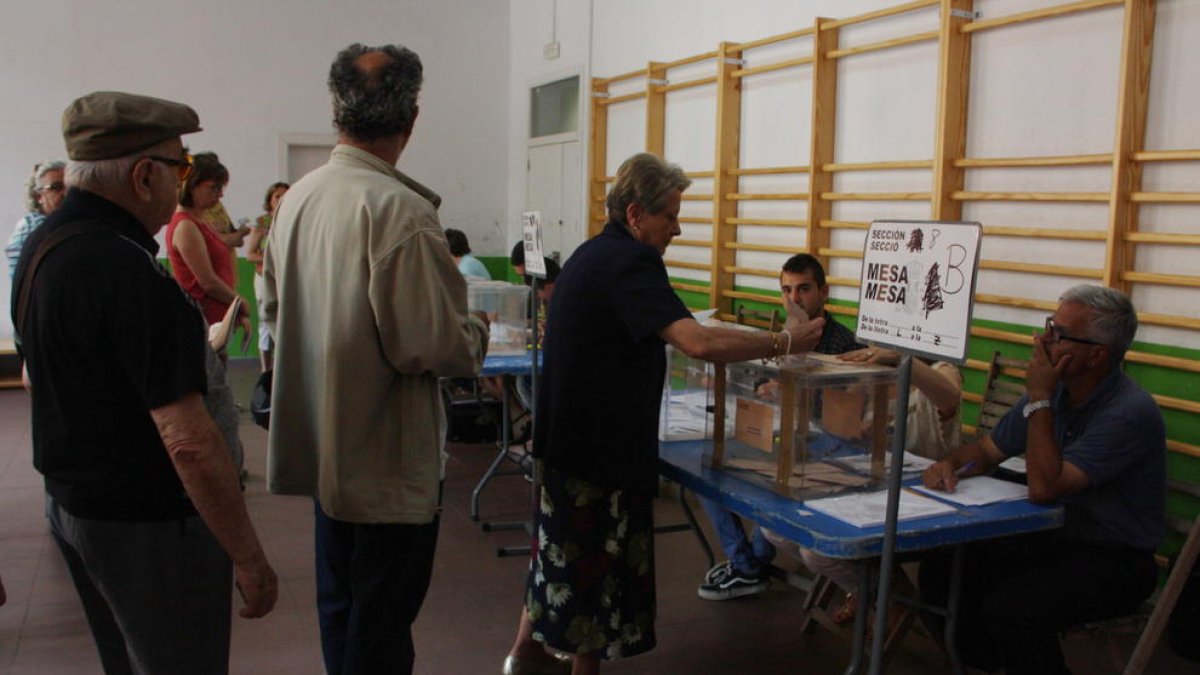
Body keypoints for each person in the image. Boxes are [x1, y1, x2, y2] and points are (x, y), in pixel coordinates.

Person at [504, 152, 825, 675]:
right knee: (594, 567)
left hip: (565, 441)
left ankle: (526, 651)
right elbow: (695, 341)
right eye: (670, 216)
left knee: (558, 550)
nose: (677, 228)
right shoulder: (631, 262)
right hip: (597, 452)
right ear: (636, 215)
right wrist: (784, 341)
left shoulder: (592, 253)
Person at [10, 90, 277, 674]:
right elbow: (186, 440)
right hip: (147, 527)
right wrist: (249, 557)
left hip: (77, 505)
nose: (183, 182)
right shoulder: (125, 272)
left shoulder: (44, 246)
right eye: (180, 167)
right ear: (143, 175)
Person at [261, 44, 489, 675]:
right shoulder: (401, 211)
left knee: (341, 601)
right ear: (411, 118)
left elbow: (275, 314)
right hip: (386, 464)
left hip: (327, 448)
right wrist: (475, 330)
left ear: (337, 111)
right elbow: (433, 345)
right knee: (384, 619)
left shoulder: (297, 199)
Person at [918, 284, 1165, 675]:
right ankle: (983, 667)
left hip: (1114, 557)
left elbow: (1044, 488)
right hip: (1056, 536)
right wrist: (950, 463)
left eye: (1058, 334)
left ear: (1097, 355)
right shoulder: (1055, 392)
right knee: (944, 567)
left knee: (1014, 608)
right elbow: (985, 452)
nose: (1042, 340)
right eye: (1049, 326)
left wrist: (1039, 399)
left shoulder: (1128, 412)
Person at [695, 253, 864, 601]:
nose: (794, 299)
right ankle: (745, 559)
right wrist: (762, 388)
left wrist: (796, 393)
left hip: (825, 446)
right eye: (786, 290)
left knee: (770, 484)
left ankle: (748, 565)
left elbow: (845, 416)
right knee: (708, 472)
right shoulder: (781, 337)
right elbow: (759, 383)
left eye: (803, 289)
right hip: (778, 434)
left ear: (823, 293)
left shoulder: (844, 344)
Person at [760, 346, 963, 623]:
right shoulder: (872, 370)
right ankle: (877, 588)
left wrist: (900, 357)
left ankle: (885, 593)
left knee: (815, 553)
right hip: (871, 482)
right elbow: (845, 429)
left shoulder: (941, 370)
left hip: (921, 491)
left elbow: (949, 396)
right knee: (774, 530)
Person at [166, 151, 251, 338]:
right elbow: (208, 282)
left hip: (214, 321)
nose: (220, 194)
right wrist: (239, 302)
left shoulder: (202, 221)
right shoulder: (185, 226)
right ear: (193, 186)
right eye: (213, 187)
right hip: (201, 322)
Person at [245, 181, 289, 372]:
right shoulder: (262, 223)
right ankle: (266, 370)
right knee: (266, 321)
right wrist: (272, 259)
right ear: (270, 200)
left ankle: (282, 367)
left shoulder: (292, 218)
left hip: (286, 279)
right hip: (264, 278)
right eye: (277, 196)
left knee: (285, 321)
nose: (282, 199)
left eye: (286, 195)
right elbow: (250, 254)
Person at [6, 159, 66, 278]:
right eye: (57, 187)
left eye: (71, 187)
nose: (66, 193)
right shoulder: (31, 227)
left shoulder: (65, 224)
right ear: (39, 196)